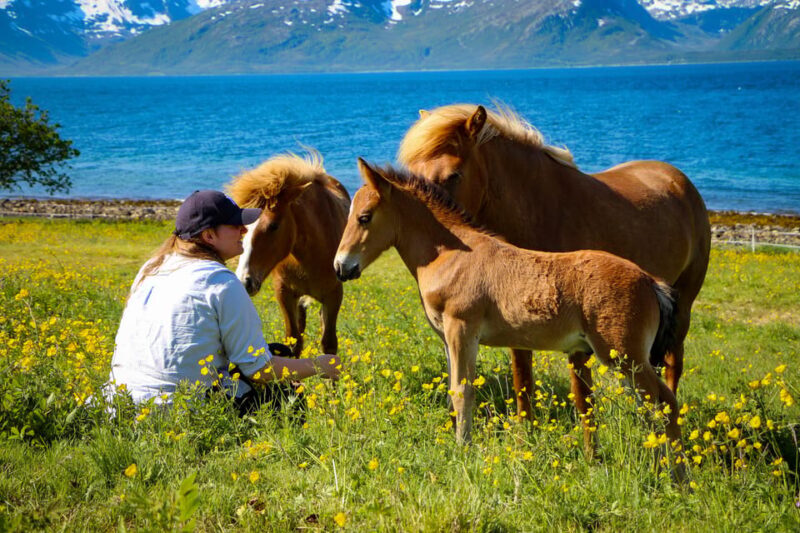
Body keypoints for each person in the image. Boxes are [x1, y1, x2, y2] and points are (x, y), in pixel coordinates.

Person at [107, 190, 339, 413]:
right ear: (209, 236)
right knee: (287, 400)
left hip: (118, 403)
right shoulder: (220, 282)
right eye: (234, 225)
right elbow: (260, 369)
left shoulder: (151, 268)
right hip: (179, 410)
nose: (244, 230)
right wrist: (320, 365)